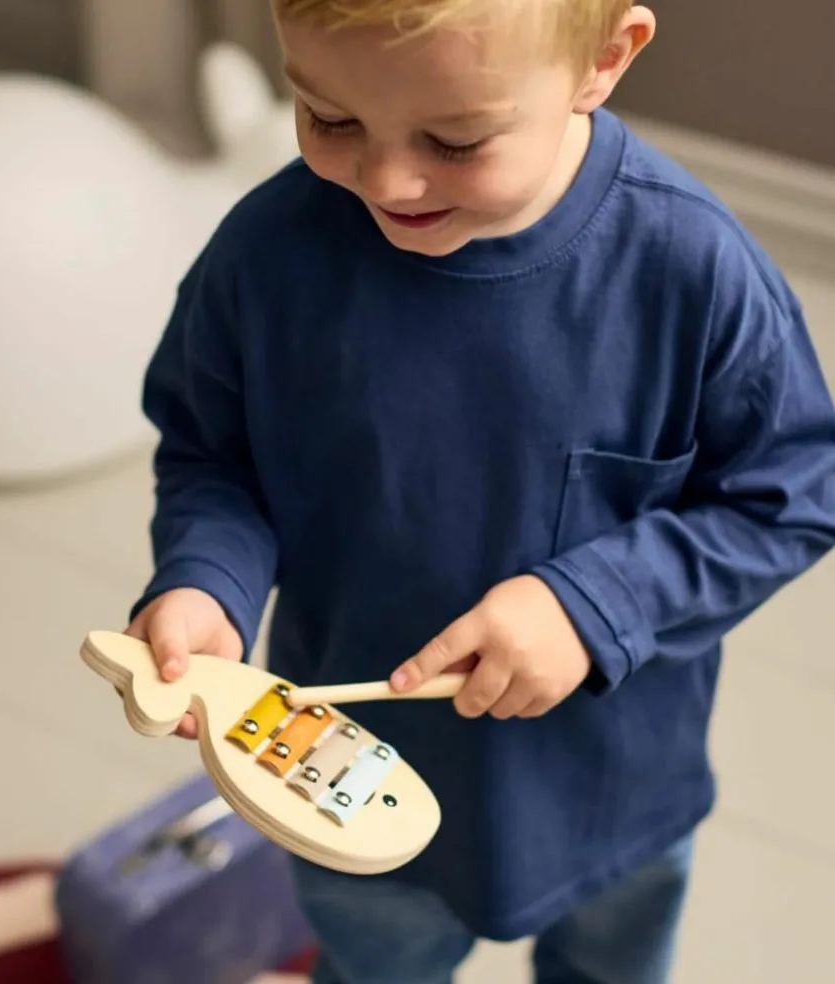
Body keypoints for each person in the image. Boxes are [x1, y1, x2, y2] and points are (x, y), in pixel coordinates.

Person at [123, 1, 835, 981]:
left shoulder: (692, 273)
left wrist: (595, 605)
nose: (388, 179)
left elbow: (788, 496)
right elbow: (212, 455)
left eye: (456, 139)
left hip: (613, 794)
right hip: (348, 777)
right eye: (330, 119)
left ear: (603, 60)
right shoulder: (267, 258)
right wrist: (207, 580)